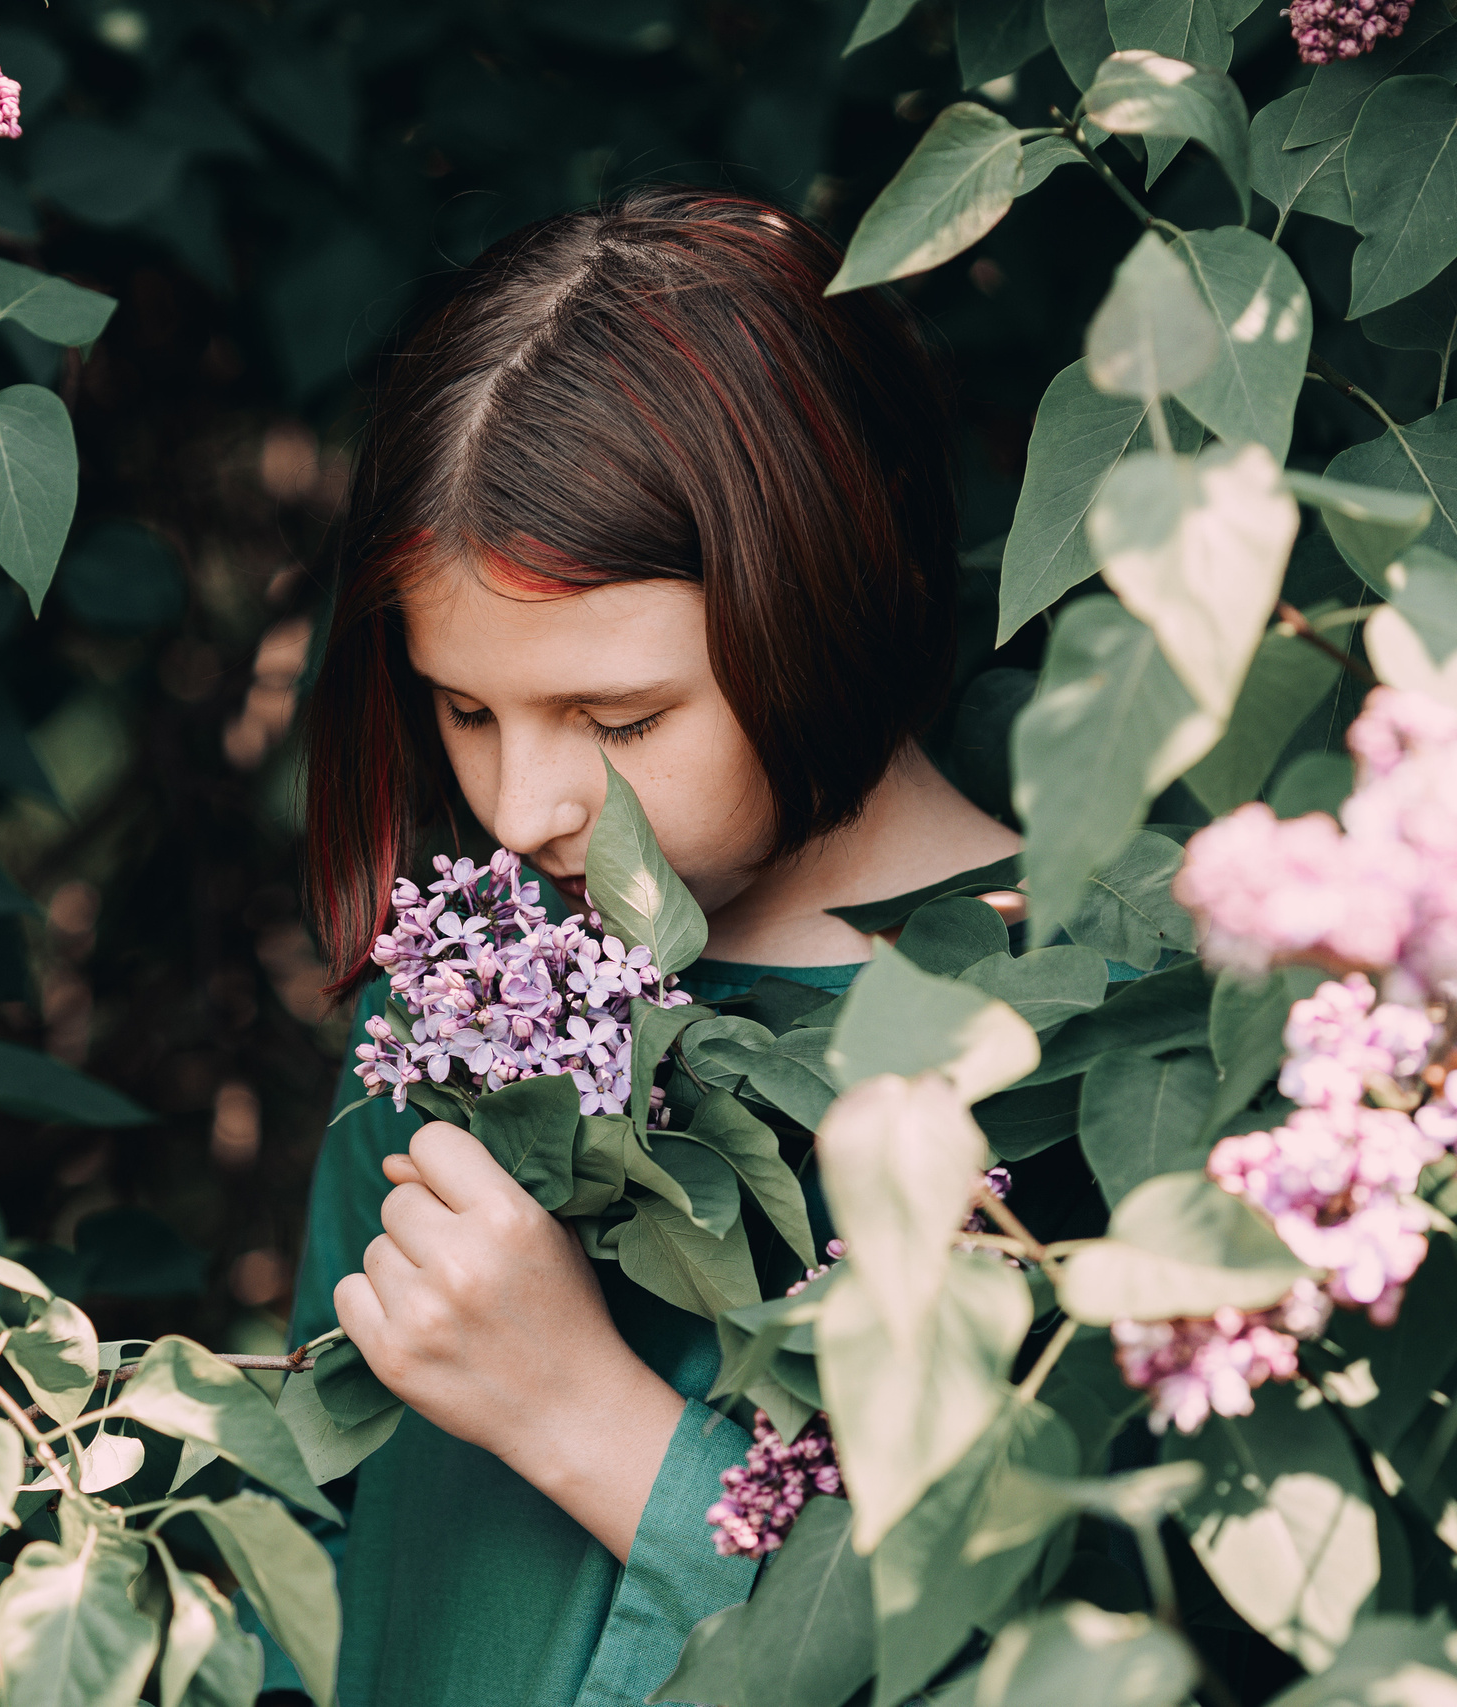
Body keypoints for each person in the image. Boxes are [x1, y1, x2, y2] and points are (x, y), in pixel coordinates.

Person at [275, 185, 1068, 1707]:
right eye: (463, 708)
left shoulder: (1081, 1050)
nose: (519, 808)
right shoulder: (458, 1010)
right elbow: (300, 1576)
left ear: (825, 600)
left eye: (620, 719)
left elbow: (1056, 1657)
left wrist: (585, 1420)